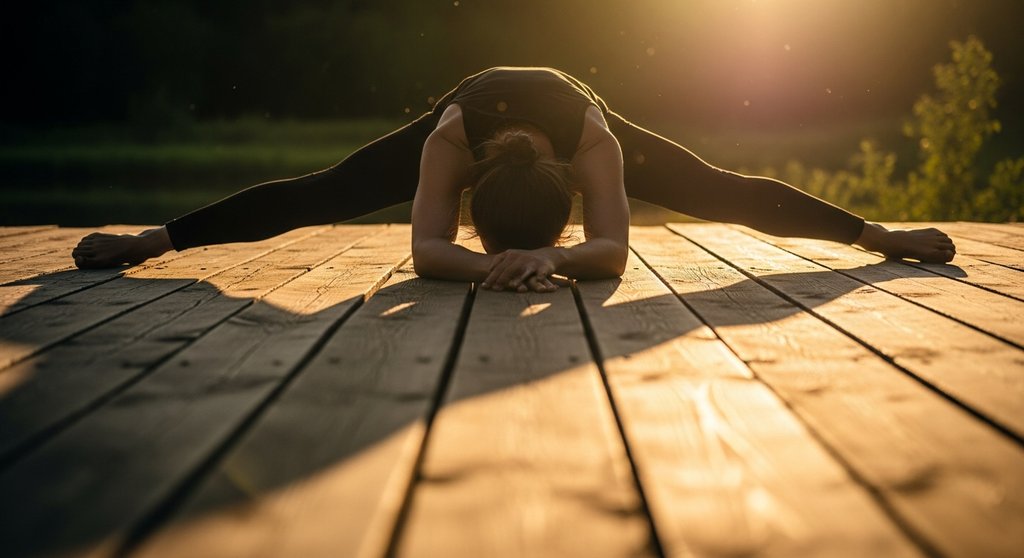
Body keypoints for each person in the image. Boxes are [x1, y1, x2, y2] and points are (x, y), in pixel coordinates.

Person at [72, 66, 956, 293]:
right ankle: (154, 240)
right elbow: (428, 251)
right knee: (328, 189)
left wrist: (545, 260)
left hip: (568, 105)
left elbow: (611, 254)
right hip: (477, 104)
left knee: (712, 186)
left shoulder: (595, 144)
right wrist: (512, 264)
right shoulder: (447, 142)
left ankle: (878, 236)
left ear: (569, 195)